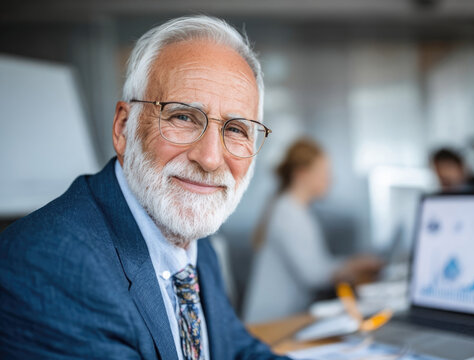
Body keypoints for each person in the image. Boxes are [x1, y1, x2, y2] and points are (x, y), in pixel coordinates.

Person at [0, 16, 290, 360]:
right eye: (182, 116)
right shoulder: (52, 263)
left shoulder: (195, 242)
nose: (211, 159)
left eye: (236, 129)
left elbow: (235, 349)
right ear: (124, 128)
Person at [243, 138, 383, 324]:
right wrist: (355, 264)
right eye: (324, 172)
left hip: (285, 318)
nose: (330, 179)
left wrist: (352, 265)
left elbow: (317, 265)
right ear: (302, 174)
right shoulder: (288, 213)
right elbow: (315, 275)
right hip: (270, 322)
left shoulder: (296, 209)